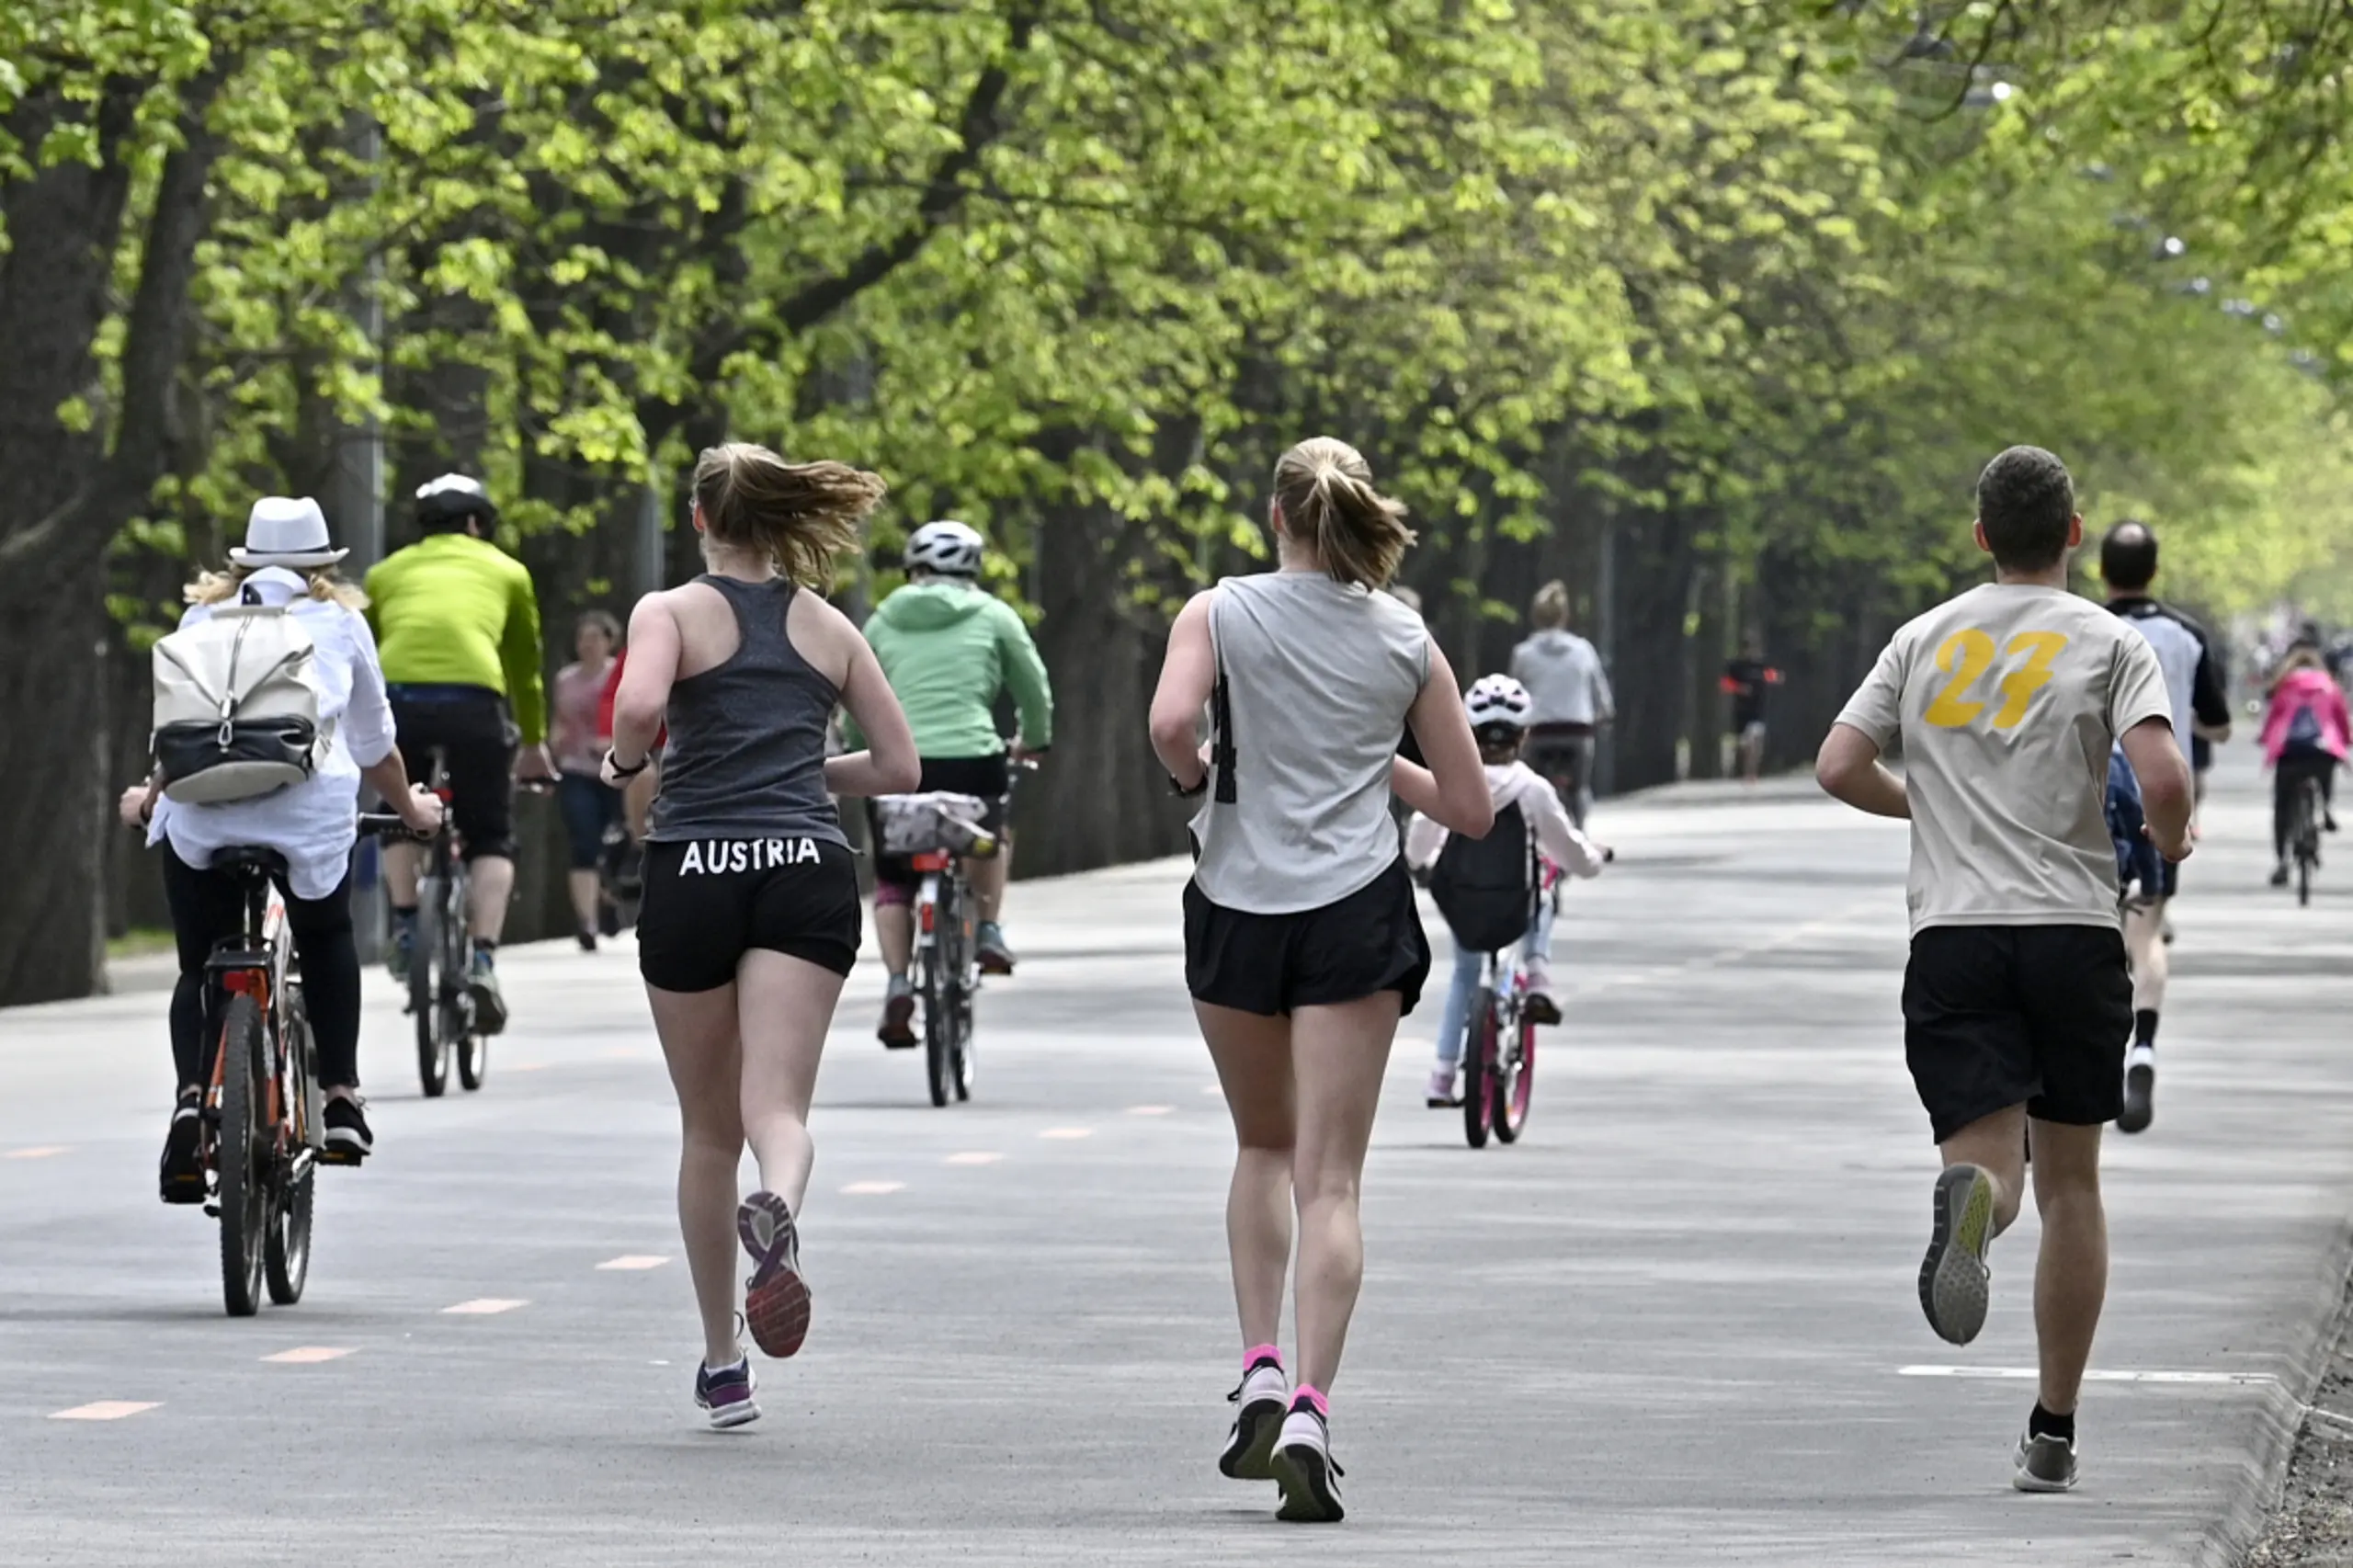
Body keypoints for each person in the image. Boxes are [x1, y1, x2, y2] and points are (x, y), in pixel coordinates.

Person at [1815, 445, 2189, 1495]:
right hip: (2071, 930)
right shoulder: (2112, 639)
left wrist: (1923, 803)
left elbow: (1837, 762)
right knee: (2074, 1185)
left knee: (1993, 1164)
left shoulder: (1920, 636)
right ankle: (2051, 1429)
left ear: (1979, 535)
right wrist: (2172, 836)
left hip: (1954, 934)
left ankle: (1973, 1195)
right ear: (2072, 532)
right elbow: (2159, 770)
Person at [1148, 436, 1491, 1523]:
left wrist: (1203, 779)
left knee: (1261, 1143)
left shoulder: (1217, 611)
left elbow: (1167, 725)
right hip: (1352, 910)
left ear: (1274, 513)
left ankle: (1252, 1363)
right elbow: (1470, 807)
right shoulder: (1405, 638)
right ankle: (1307, 1406)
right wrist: (1365, 754)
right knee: (1332, 1180)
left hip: (1236, 904)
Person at [604, 443, 917, 1429]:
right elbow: (900, 764)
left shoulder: (669, 611)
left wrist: (625, 761)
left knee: (707, 1129)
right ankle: (778, 1200)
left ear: (699, 520)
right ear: (780, 522)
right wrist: (804, 773)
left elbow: (643, 706)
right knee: (776, 1107)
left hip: (694, 865)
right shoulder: (831, 626)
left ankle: (721, 1362)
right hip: (802, 869)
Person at [119, 498, 445, 1195]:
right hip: (307, 817)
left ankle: (188, 1110)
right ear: (323, 565)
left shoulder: (200, 619)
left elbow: (186, 731)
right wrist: (412, 807)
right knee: (326, 938)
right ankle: (341, 1099)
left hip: (203, 815)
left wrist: (150, 796)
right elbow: (372, 745)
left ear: (242, 562)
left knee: (197, 966)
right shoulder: (339, 622)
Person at [841, 519, 1053, 1044]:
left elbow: (854, 698)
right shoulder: (995, 615)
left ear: (913, 568)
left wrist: (855, 750)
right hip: (971, 758)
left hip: (895, 765)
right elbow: (1033, 687)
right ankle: (988, 929)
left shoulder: (880, 622)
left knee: (894, 879)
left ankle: (896, 982)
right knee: (990, 832)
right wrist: (1035, 739)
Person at [366, 474, 555, 1033]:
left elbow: (362, 658)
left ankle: (405, 929)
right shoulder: (507, 571)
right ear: (476, 524)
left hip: (399, 703)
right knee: (491, 834)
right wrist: (533, 742)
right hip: (475, 703)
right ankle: (483, 960)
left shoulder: (384, 573)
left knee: (402, 811)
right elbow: (524, 666)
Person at [1405, 674, 1608, 1108]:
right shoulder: (1534, 790)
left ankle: (1442, 1076)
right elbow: (1568, 848)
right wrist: (1593, 862)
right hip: (1517, 901)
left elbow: (1421, 839)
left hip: (1463, 904)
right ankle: (1537, 974)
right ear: (1525, 735)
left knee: (1463, 975)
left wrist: (1420, 863)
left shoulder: (1450, 782)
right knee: (1545, 887)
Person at [2097, 520, 2230, 1134]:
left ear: (2101, 570)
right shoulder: (2186, 636)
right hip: (2156, 796)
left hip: (2087, 796)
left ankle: (2074, 1064)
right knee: (2147, 934)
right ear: (2154, 571)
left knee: (2084, 933)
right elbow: (2217, 721)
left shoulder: (2078, 629)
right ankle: (2142, 1049)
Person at [1509, 579, 1613, 827]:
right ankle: (1579, 831)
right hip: (1577, 731)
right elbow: (1601, 696)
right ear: (1565, 616)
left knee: (1532, 786)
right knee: (1579, 788)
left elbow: (1513, 696)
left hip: (1538, 732)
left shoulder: (1523, 654)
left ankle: (1536, 830)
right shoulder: (1583, 650)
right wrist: (1604, 715)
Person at [552, 609, 625, 949]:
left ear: (610, 641)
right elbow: (560, 720)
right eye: (583, 638)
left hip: (618, 769)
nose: (588, 644)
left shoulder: (621, 673)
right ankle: (588, 922)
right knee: (583, 842)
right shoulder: (566, 679)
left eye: (595, 638)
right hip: (576, 768)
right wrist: (553, 742)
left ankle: (608, 892)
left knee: (620, 840)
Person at [2260, 644, 2349, 885]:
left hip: (2289, 751)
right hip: (2323, 749)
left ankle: (2282, 862)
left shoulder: (2284, 686)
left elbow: (2274, 719)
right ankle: (2325, 807)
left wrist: (2264, 739)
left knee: (2282, 807)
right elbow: (2341, 718)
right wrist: (2346, 741)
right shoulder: (2329, 686)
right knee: (2324, 775)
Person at [1722, 633, 1784, 785]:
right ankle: (1742, 769)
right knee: (1744, 744)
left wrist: (1776, 678)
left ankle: (1751, 773)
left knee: (1755, 741)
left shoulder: (1760, 665)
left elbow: (1772, 676)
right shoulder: (1735, 666)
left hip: (1758, 710)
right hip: (1742, 710)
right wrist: (1740, 688)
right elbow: (1725, 684)